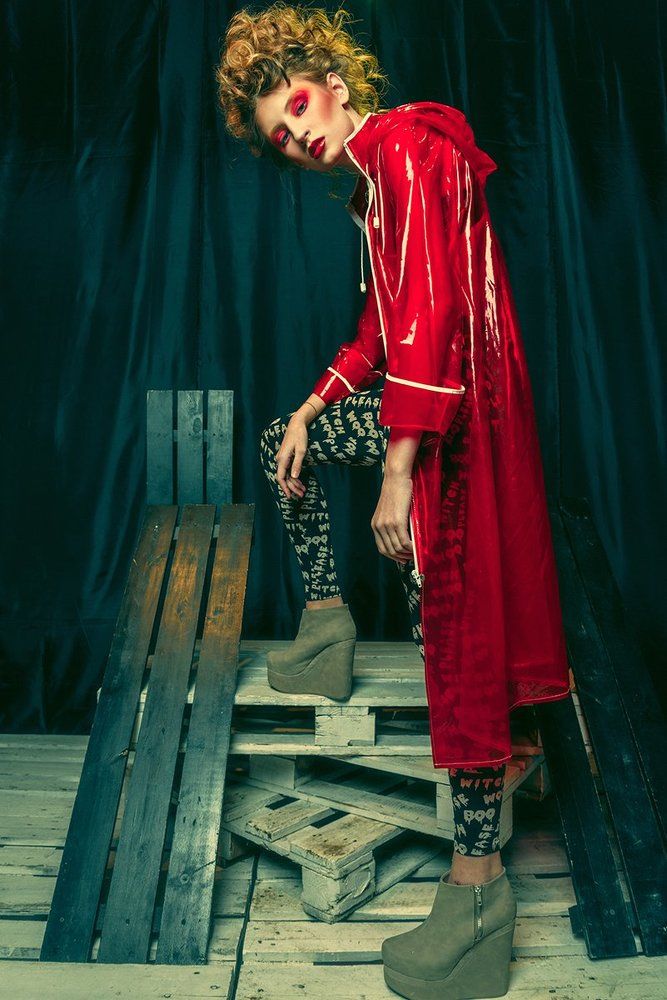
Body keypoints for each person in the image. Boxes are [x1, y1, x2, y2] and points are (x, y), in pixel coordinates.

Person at [217, 5, 571, 998]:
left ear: (332, 83)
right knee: (284, 446)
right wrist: (311, 408)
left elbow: (431, 316)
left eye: (297, 108)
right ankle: (327, 622)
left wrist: (398, 470)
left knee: (455, 643)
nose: (297, 136)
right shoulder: (377, 179)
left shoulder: (408, 151)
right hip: (440, 405)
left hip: (460, 422)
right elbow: (381, 326)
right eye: (279, 136)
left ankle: (477, 894)